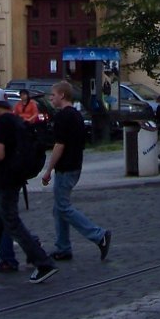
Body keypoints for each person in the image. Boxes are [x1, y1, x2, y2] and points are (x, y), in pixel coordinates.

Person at [0, 91, 58, 283]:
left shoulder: (2, 123)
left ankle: (43, 262)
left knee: (11, 223)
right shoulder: (16, 120)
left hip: (6, 179)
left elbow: (0, 154)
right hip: (15, 177)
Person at [40, 80, 111, 262]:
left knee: (63, 207)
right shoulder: (77, 115)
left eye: (53, 95)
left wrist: (48, 170)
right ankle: (63, 247)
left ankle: (98, 235)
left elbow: (59, 145)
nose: (51, 98)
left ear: (62, 95)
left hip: (66, 167)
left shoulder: (63, 117)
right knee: (59, 208)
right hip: (75, 165)